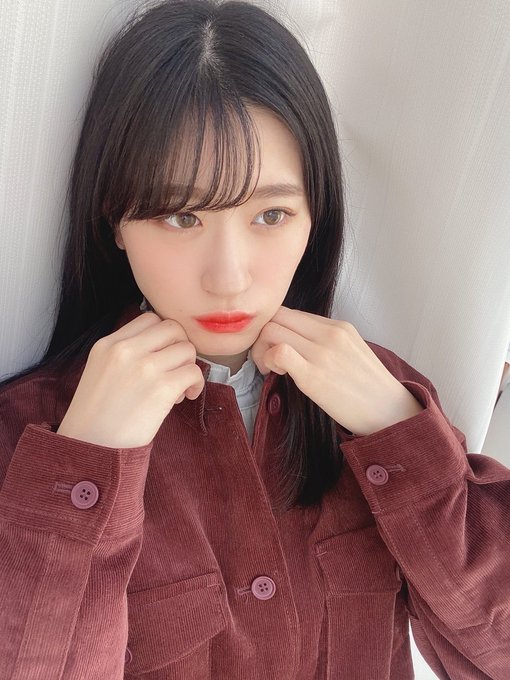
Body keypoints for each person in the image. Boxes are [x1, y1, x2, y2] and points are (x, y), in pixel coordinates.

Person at [0, 1, 509, 678]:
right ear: (115, 218)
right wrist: (86, 470)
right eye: (181, 216)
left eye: (271, 214)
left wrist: (398, 431)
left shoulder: (377, 400)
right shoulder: (35, 435)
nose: (229, 278)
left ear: (315, 216)